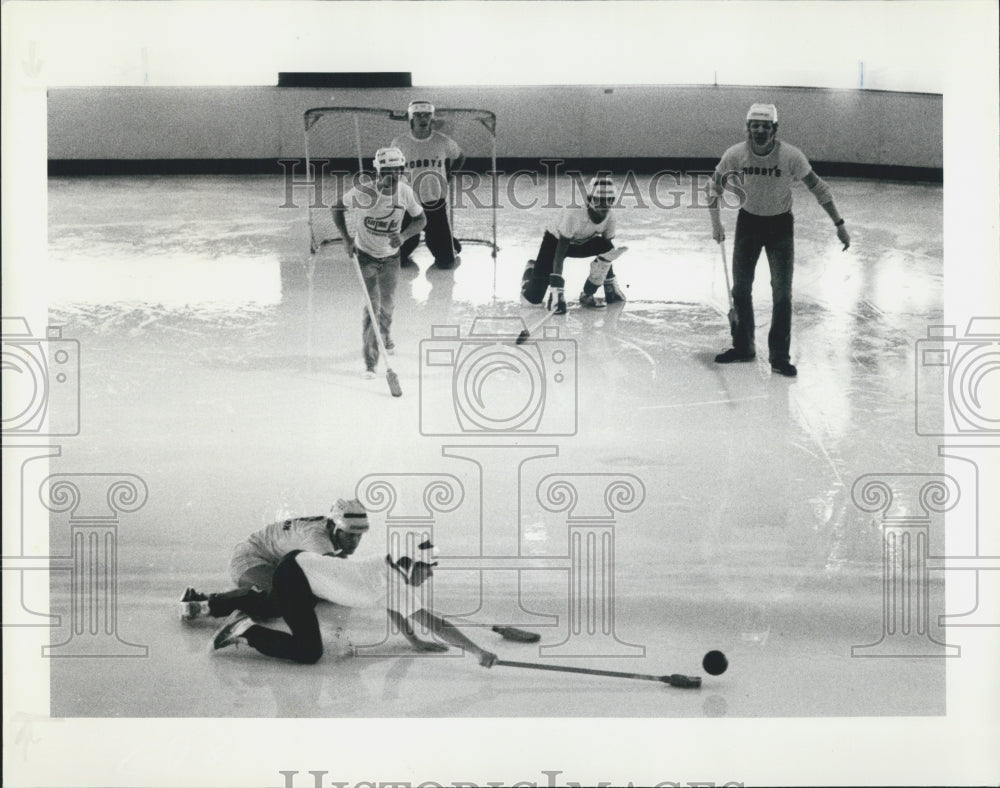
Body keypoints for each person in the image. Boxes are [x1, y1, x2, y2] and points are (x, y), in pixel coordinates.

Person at [708, 102, 851, 377]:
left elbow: (819, 188)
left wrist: (839, 224)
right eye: (755, 125)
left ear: (774, 129)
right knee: (740, 289)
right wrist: (716, 224)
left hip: (780, 228)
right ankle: (743, 346)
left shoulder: (791, 156)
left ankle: (779, 356)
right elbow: (713, 187)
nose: (760, 130)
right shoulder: (736, 154)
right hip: (748, 224)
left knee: (782, 293)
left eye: (765, 126)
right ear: (747, 128)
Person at [210, 540, 499, 668]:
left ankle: (218, 607)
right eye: (428, 568)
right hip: (296, 578)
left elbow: (395, 606)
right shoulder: (393, 580)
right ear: (411, 566)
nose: (431, 574)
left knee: (274, 607)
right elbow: (437, 623)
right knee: (309, 652)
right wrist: (478, 652)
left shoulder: (392, 576)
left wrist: (414, 641)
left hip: (300, 568)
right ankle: (244, 629)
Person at [179, 498, 370, 621]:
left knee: (302, 596)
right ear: (335, 528)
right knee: (288, 602)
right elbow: (342, 580)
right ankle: (205, 604)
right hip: (249, 559)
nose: (355, 542)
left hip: (262, 559)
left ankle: (228, 600)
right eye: (350, 535)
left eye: (359, 535)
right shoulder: (316, 539)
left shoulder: (328, 529)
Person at [332, 147, 426, 378]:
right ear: (378, 170)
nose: (391, 175)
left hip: (391, 259)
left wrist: (403, 236)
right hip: (365, 257)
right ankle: (371, 362)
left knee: (388, 305)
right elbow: (336, 208)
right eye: (386, 170)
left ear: (403, 170)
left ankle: (384, 336)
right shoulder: (364, 192)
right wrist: (346, 239)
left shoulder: (405, 192)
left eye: (397, 170)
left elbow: (421, 220)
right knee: (372, 308)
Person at [520, 175, 626, 315]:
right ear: (590, 200)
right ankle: (530, 273)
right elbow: (560, 252)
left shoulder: (611, 217)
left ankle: (588, 294)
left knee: (605, 246)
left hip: (582, 243)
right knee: (531, 301)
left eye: (610, 200)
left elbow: (607, 251)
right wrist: (557, 291)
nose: (604, 206)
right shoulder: (573, 213)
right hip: (555, 242)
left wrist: (607, 283)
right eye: (599, 200)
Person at [390, 100, 465, 270]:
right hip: (409, 204)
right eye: (418, 115)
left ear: (431, 117)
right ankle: (414, 239)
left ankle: (448, 241)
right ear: (411, 117)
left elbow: (460, 156)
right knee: (396, 260)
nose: (422, 119)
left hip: (434, 202)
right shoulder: (399, 143)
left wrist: (450, 175)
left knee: (446, 262)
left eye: (426, 115)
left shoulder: (442, 141)